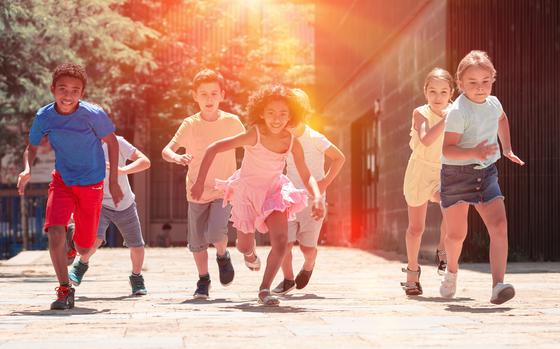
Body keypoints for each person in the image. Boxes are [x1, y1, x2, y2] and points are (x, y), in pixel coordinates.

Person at [191, 84, 325, 306]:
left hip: (274, 192)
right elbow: (213, 148)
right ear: (261, 113)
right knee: (243, 246)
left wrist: (318, 197)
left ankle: (264, 289)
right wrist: (198, 182)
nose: (276, 118)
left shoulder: (291, 141)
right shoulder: (254, 134)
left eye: (283, 113)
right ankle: (250, 253)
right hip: (248, 194)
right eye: (271, 112)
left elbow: (306, 173)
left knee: (281, 241)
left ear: (292, 115)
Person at [17, 63, 123, 310]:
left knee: (85, 246)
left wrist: (115, 180)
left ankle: (75, 239)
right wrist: (27, 168)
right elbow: (32, 146)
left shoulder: (93, 114)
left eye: (75, 90)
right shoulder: (44, 116)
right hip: (62, 181)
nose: (68, 95)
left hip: (92, 183)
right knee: (54, 230)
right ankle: (65, 290)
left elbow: (112, 142)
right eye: (62, 89)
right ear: (53, 89)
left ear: (82, 93)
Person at [439, 50, 524, 304]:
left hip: (486, 173)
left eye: (485, 81)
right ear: (461, 84)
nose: (480, 88)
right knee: (456, 235)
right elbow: (447, 150)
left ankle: (498, 286)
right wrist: (474, 151)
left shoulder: (494, 103)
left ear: (492, 79)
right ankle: (452, 272)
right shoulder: (457, 111)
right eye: (472, 83)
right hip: (456, 175)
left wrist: (506, 148)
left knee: (499, 226)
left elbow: (502, 119)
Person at [162, 69, 245, 299]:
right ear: (195, 96)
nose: (209, 99)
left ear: (222, 95)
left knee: (217, 232)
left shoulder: (232, 122)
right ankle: (203, 280)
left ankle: (222, 255)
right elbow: (167, 150)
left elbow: (250, 146)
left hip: (223, 189)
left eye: (213, 93)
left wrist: (245, 174)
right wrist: (177, 157)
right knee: (197, 241)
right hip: (196, 190)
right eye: (203, 94)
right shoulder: (190, 124)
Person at [272, 88, 345, 295]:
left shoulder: (315, 137)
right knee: (284, 242)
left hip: (313, 198)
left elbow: (339, 158)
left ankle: (309, 264)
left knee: (306, 247)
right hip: (289, 197)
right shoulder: (282, 138)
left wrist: (325, 183)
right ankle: (287, 279)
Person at [68, 135, 151, 295]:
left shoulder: (117, 142)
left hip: (124, 203)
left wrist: (122, 170)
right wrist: (74, 208)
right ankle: (81, 265)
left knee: (137, 246)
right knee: (95, 239)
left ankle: (136, 277)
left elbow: (145, 161)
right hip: (99, 203)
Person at [400, 68, 454, 296]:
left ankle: (443, 250)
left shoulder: (456, 112)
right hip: (420, 170)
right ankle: (412, 272)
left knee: (451, 209)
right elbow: (426, 139)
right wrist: (447, 120)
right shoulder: (420, 112)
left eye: (443, 92)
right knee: (416, 228)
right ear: (425, 92)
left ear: (451, 92)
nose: (438, 97)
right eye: (433, 91)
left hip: (445, 170)